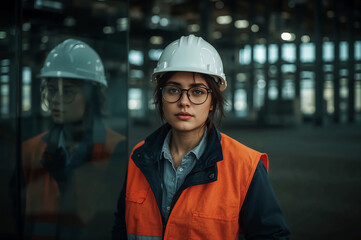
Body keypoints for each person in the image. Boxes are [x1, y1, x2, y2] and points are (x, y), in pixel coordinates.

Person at [112, 34, 290, 239]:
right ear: (161, 98)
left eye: (197, 92)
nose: (184, 102)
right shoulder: (139, 156)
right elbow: (121, 226)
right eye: (173, 90)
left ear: (213, 102)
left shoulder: (245, 166)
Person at [22, 39, 126, 240]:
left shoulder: (117, 149)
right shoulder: (30, 151)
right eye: (51, 90)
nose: (56, 99)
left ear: (92, 96)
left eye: (67, 91)